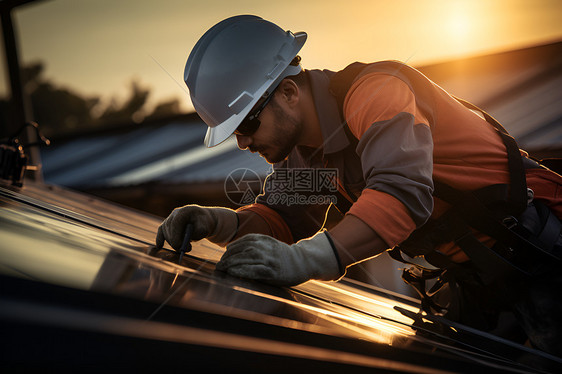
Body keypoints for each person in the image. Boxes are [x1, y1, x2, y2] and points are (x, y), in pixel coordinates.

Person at [155, 15, 562, 356]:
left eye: (246, 124)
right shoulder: (306, 151)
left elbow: (403, 194)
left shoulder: (378, 93)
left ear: (290, 92)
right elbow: (281, 219)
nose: (243, 143)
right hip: (479, 280)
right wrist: (216, 222)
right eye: (233, 133)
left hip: (544, 250)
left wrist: (304, 261)